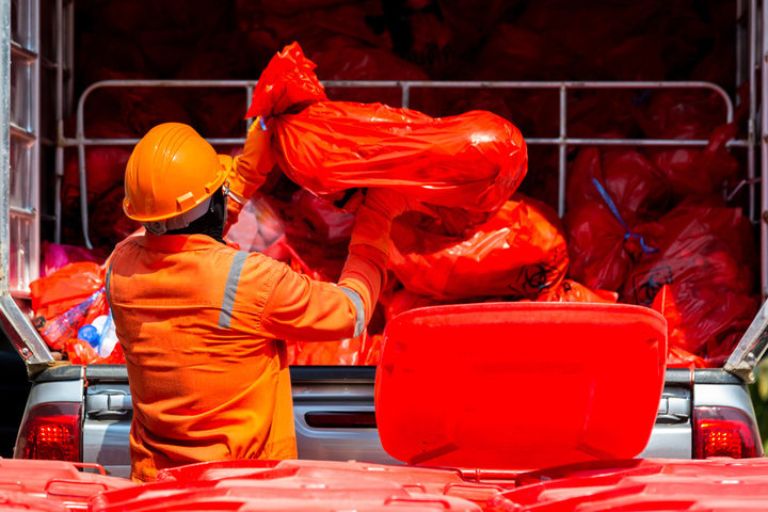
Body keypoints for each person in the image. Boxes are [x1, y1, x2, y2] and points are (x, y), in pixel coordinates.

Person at [107, 121, 404, 482]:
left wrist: (246, 173)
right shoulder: (251, 280)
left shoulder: (120, 267)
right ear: (212, 204)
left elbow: (180, 231)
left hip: (155, 489)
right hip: (240, 490)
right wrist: (377, 220)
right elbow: (351, 311)